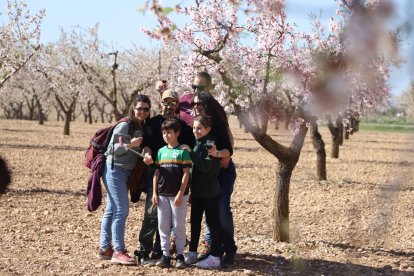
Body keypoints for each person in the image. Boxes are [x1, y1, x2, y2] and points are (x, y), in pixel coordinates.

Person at [136, 89, 195, 266]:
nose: (169, 106)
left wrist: (186, 147)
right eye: (166, 102)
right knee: (152, 214)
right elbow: (146, 146)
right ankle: (144, 251)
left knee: (171, 219)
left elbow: (190, 147)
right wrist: (146, 155)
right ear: (161, 103)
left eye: (172, 103)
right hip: (156, 174)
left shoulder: (182, 126)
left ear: (177, 105)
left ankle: (161, 251)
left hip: (176, 178)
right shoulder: (152, 123)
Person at [97, 95, 152, 265]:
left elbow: (143, 146)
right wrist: (130, 145)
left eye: (146, 109)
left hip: (126, 172)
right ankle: (119, 251)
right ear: (133, 108)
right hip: (114, 169)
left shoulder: (142, 126)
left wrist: (145, 151)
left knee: (111, 210)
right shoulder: (125, 125)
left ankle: (105, 248)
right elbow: (112, 148)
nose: (142, 111)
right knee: (121, 210)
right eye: (139, 108)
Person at [193, 89, 238, 268]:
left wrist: (220, 154)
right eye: (194, 104)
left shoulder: (217, 124)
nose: (196, 107)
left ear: (207, 105)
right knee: (209, 212)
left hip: (223, 172)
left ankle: (230, 249)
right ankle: (213, 248)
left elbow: (229, 150)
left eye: (199, 104)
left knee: (222, 209)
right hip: (207, 175)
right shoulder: (196, 125)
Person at [180, 115, 223, 269]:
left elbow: (205, 167)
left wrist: (191, 153)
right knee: (195, 222)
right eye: (194, 128)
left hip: (210, 193)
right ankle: (192, 252)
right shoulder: (199, 143)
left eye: (199, 128)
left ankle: (216, 256)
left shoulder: (209, 144)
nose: (195, 131)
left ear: (208, 129)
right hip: (197, 192)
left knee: (212, 223)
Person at [152, 118, 192, 269]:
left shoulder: (182, 152)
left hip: (178, 196)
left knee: (179, 225)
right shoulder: (161, 152)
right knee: (163, 225)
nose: (166, 135)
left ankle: (180, 254)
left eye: (169, 132)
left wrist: (181, 194)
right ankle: (165, 255)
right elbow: (156, 173)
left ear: (177, 133)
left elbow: (186, 174)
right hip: (162, 195)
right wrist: (155, 193)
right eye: (164, 132)